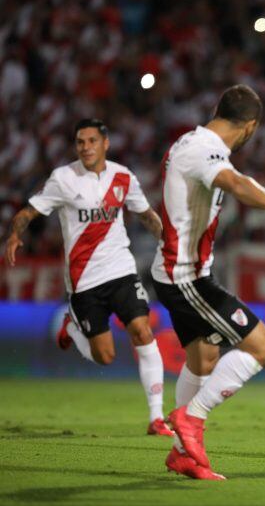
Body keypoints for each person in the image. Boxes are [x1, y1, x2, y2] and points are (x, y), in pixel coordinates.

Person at [152, 84, 265, 480]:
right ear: (250, 126)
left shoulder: (189, 140)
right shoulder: (205, 151)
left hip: (177, 271)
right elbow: (235, 184)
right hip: (186, 276)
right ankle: (192, 418)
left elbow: (234, 179)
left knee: (202, 359)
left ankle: (181, 454)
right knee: (263, 346)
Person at [3, 118, 171, 437]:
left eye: (92, 141)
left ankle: (156, 417)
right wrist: (14, 236)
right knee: (105, 356)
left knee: (142, 329)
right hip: (84, 281)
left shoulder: (123, 177)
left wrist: (167, 240)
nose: (86, 147)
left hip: (121, 269)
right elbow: (28, 211)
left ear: (105, 143)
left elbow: (146, 214)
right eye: (80, 142)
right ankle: (72, 326)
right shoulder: (63, 179)